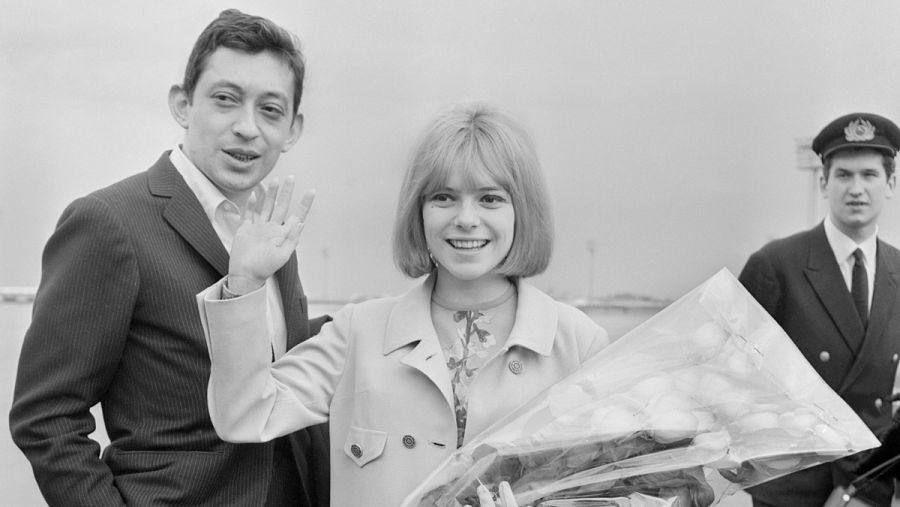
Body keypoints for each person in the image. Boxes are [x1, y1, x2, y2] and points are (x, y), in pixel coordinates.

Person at [196, 102, 610, 506]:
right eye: (444, 197)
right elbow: (245, 414)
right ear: (418, 211)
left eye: (490, 198)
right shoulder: (358, 331)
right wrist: (245, 282)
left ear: (523, 212)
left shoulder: (579, 345)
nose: (466, 218)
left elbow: (618, 484)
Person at [9, 9, 329, 507]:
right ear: (183, 105)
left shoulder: (271, 230)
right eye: (225, 99)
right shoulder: (109, 222)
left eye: (270, 109)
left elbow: (280, 373)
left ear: (292, 129)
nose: (247, 127)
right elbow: (45, 416)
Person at [739, 112, 900, 506]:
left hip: (869, 485)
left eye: (869, 175)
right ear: (824, 182)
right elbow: (732, 378)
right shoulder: (776, 266)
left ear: (891, 184)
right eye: (843, 175)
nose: (856, 188)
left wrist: (864, 488)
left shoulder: (899, 270)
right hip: (790, 488)